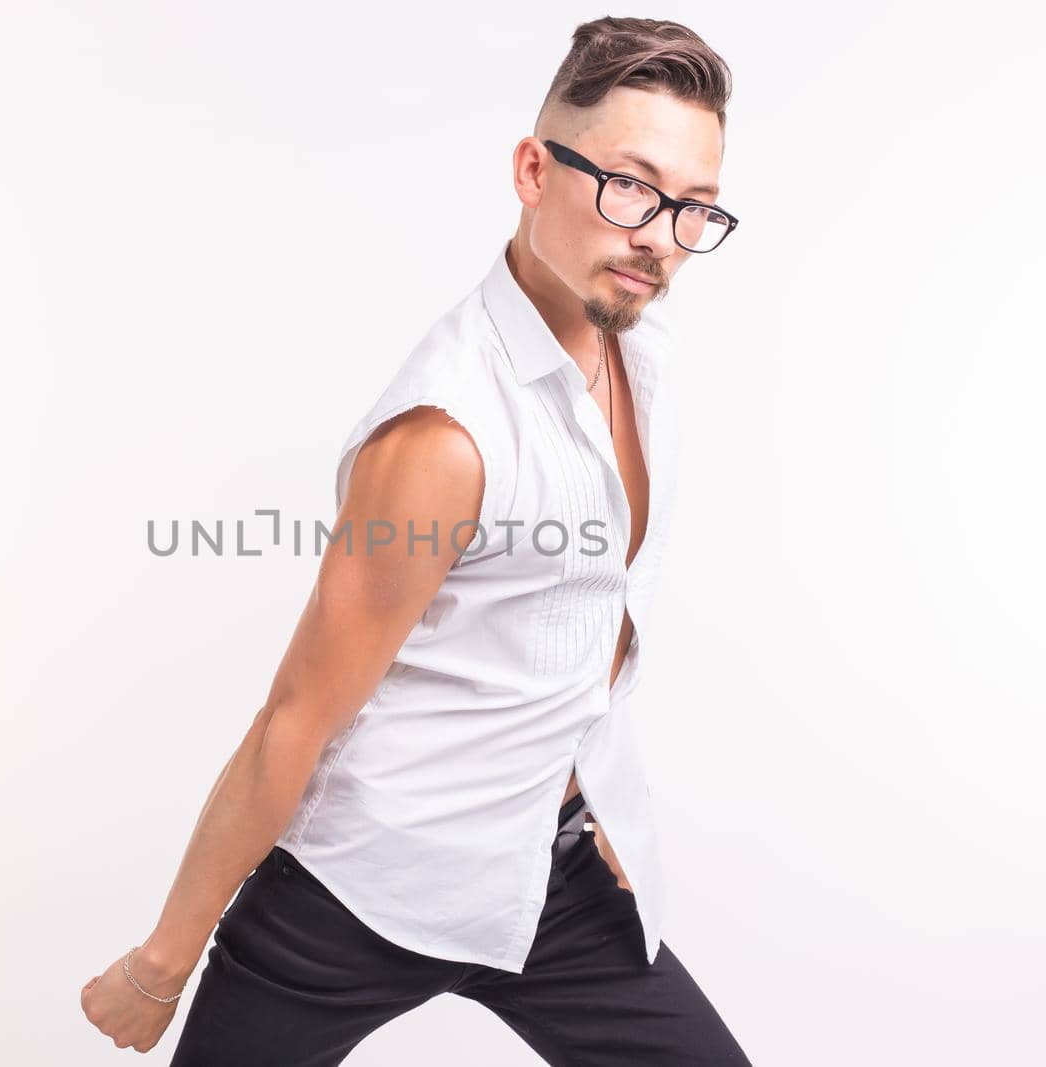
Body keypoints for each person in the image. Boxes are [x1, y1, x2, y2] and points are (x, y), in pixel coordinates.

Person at [82, 16, 753, 1065]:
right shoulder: (445, 435)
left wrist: (595, 789)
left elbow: (577, 621)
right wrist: (158, 964)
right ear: (534, 169)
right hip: (362, 888)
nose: (659, 236)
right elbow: (294, 719)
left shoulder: (638, 353)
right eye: (630, 187)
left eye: (692, 207)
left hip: (551, 875)